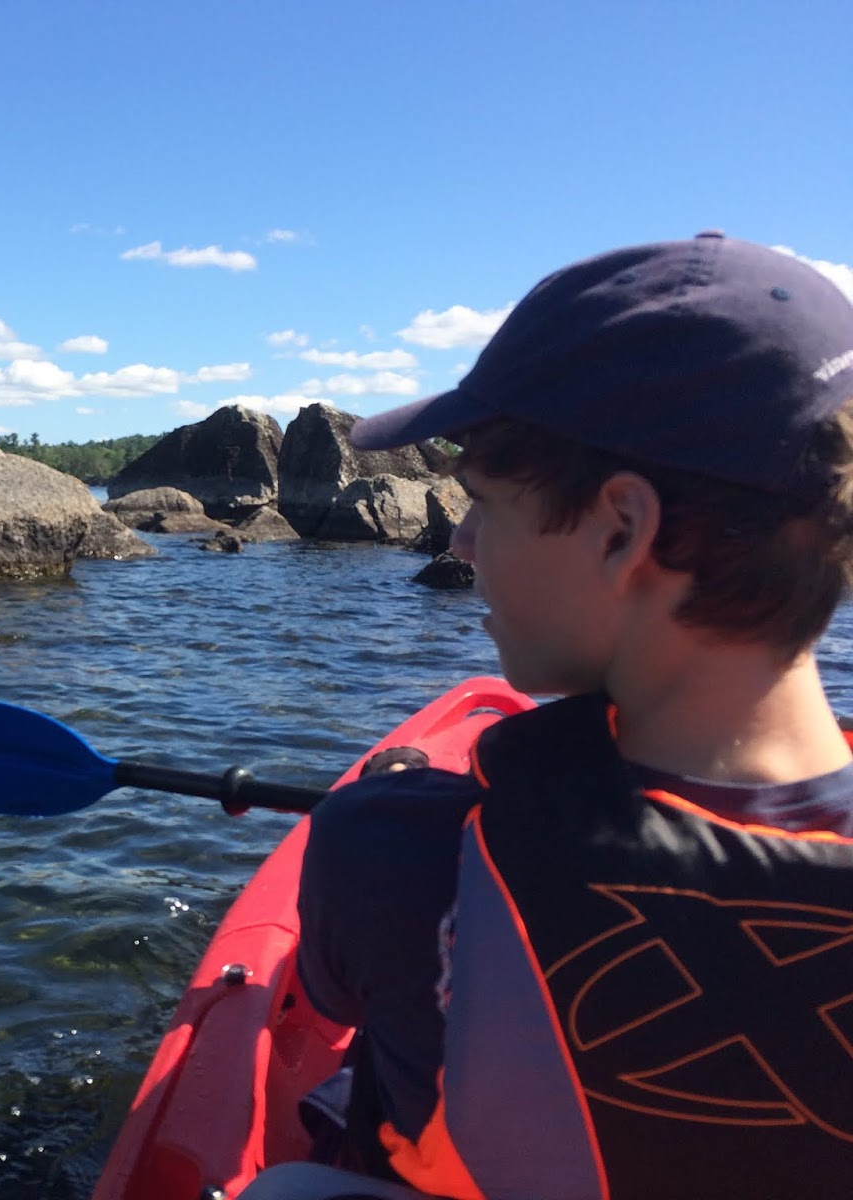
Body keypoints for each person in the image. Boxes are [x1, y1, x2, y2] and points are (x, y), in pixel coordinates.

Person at [245, 233, 853, 1200]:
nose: (461, 537)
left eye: (484, 501)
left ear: (621, 528)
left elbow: (331, 1000)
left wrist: (387, 803)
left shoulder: (398, 851)